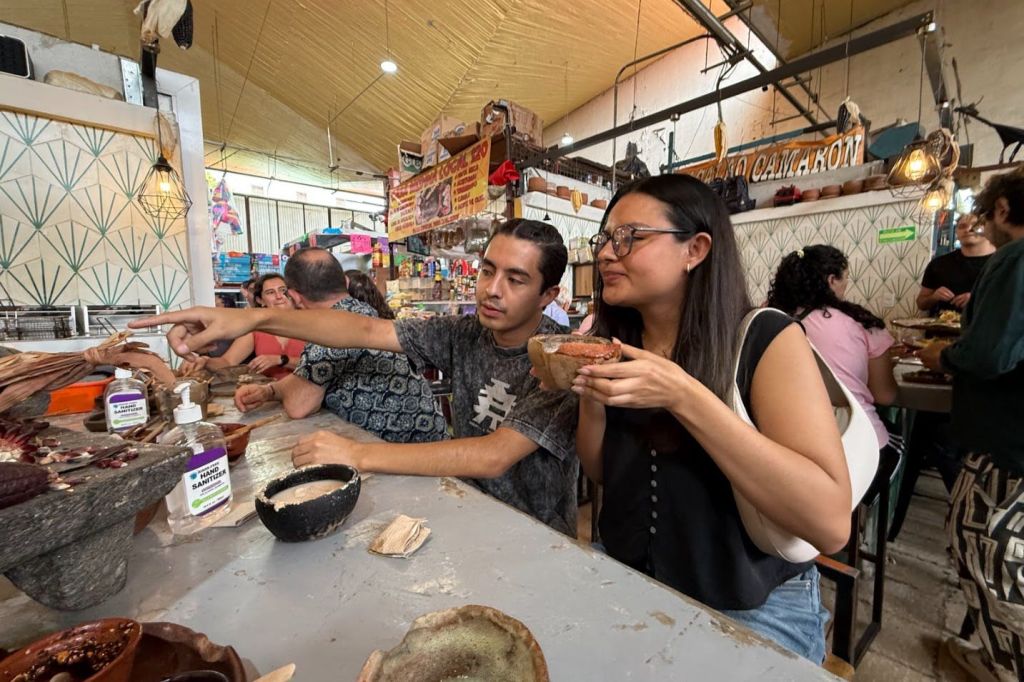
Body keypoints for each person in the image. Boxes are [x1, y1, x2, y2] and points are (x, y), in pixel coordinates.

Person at [132, 219, 581, 536]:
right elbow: (362, 329)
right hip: (467, 510)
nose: (492, 289)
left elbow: (493, 456)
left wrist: (356, 453)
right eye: (487, 270)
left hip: (536, 533)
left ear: (548, 295)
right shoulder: (464, 333)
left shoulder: (563, 358)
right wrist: (252, 319)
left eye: (515, 279)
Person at [571, 175, 849, 663]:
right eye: (605, 239)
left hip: (752, 605)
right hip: (628, 579)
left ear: (695, 250)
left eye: (630, 237)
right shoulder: (618, 340)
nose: (607, 254)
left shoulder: (766, 337)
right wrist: (589, 392)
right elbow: (600, 472)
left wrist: (684, 396)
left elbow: (829, 525)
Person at [918, 170, 1024, 682]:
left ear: (1002, 209)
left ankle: (1005, 663)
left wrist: (942, 357)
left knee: (987, 549)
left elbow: (988, 353)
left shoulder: (1015, 259)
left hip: (1006, 443)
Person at [235, 250, 446, 444]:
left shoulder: (330, 329)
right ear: (345, 281)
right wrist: (269, 391)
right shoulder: (362, 311)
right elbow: (307, 376)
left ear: (295, 297)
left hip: (406, 457)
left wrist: (273, 391)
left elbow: (299, 406)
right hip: (428, 444)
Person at [767, 245, 898, 451]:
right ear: (831, 280)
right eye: (845, 277)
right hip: (855, 441)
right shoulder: (863, 323)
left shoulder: (768, 319)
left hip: (790, 444)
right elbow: (885, 396)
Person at [180, 273, 305, 379]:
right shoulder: (256, 328)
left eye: (283, 290)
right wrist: (205, 361)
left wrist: (281, 360)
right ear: (260, 300)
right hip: (269, 393)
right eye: (270, 292)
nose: (279, 296)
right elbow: (228, 361)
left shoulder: (307, 322)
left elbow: (316, 363)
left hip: (308, 393)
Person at [917, 213, 996, 315]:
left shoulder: (1004, 261)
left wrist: (978, 300)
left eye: (975, 225)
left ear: (989, 229)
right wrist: (934, 297)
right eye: (962, 226)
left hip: (989, 324)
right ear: (956, 233)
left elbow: (1014, 303)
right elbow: (921, 303)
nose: (968, 229)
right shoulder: (938, 264)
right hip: (942, 324)